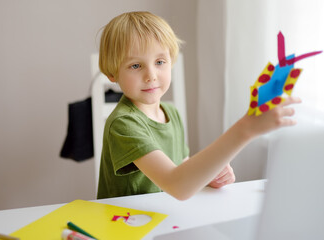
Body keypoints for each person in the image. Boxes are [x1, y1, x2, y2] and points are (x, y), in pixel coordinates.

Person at [97, 11, 301, 200]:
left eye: (159, 62)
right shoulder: (123, 124)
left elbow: (181, 167)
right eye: (135, 65)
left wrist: (208, 175)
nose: (151, 75)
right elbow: (177, 185)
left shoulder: (171, 113)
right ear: (112, 73)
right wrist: (245, 128)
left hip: (162, 216)